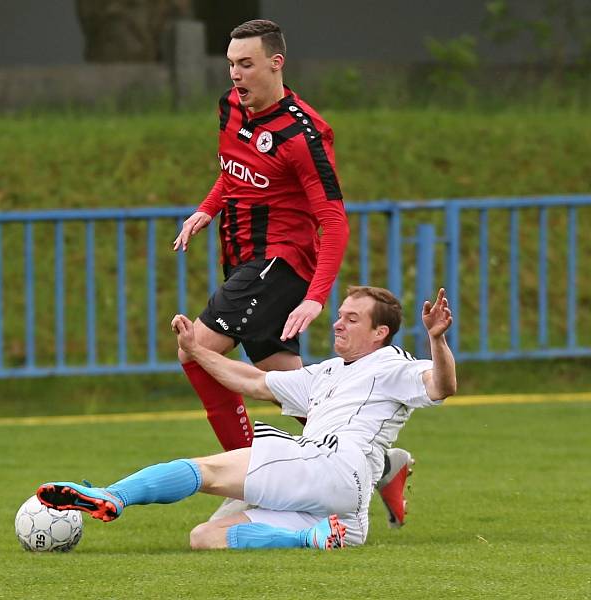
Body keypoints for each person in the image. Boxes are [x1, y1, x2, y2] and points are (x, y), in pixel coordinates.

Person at [170, 18, 412, 526]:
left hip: (279, 264)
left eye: (247, 64)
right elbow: (230, 170)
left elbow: (333, 220)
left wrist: (316, 297)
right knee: (292, 386)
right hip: (246, 261)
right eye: (232, 64)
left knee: (196, 349)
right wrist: (207, 209)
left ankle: (255, 475)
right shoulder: (230, 106)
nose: (236, 74)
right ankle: (384, 464)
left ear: (276, 63)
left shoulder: (304, 133)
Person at [36, 287, 457, 550]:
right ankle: (312, 537)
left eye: (352, 318)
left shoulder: (390, 363)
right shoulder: (327, 371)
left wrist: (436, 340)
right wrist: (199, 352)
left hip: (328, 467)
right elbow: (255, 381)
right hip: (344, 510)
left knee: (210, 470)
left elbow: (441, 386)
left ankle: (113, 497)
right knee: (205, 538)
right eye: (340, 314)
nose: (338, 323)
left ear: (380, 332)